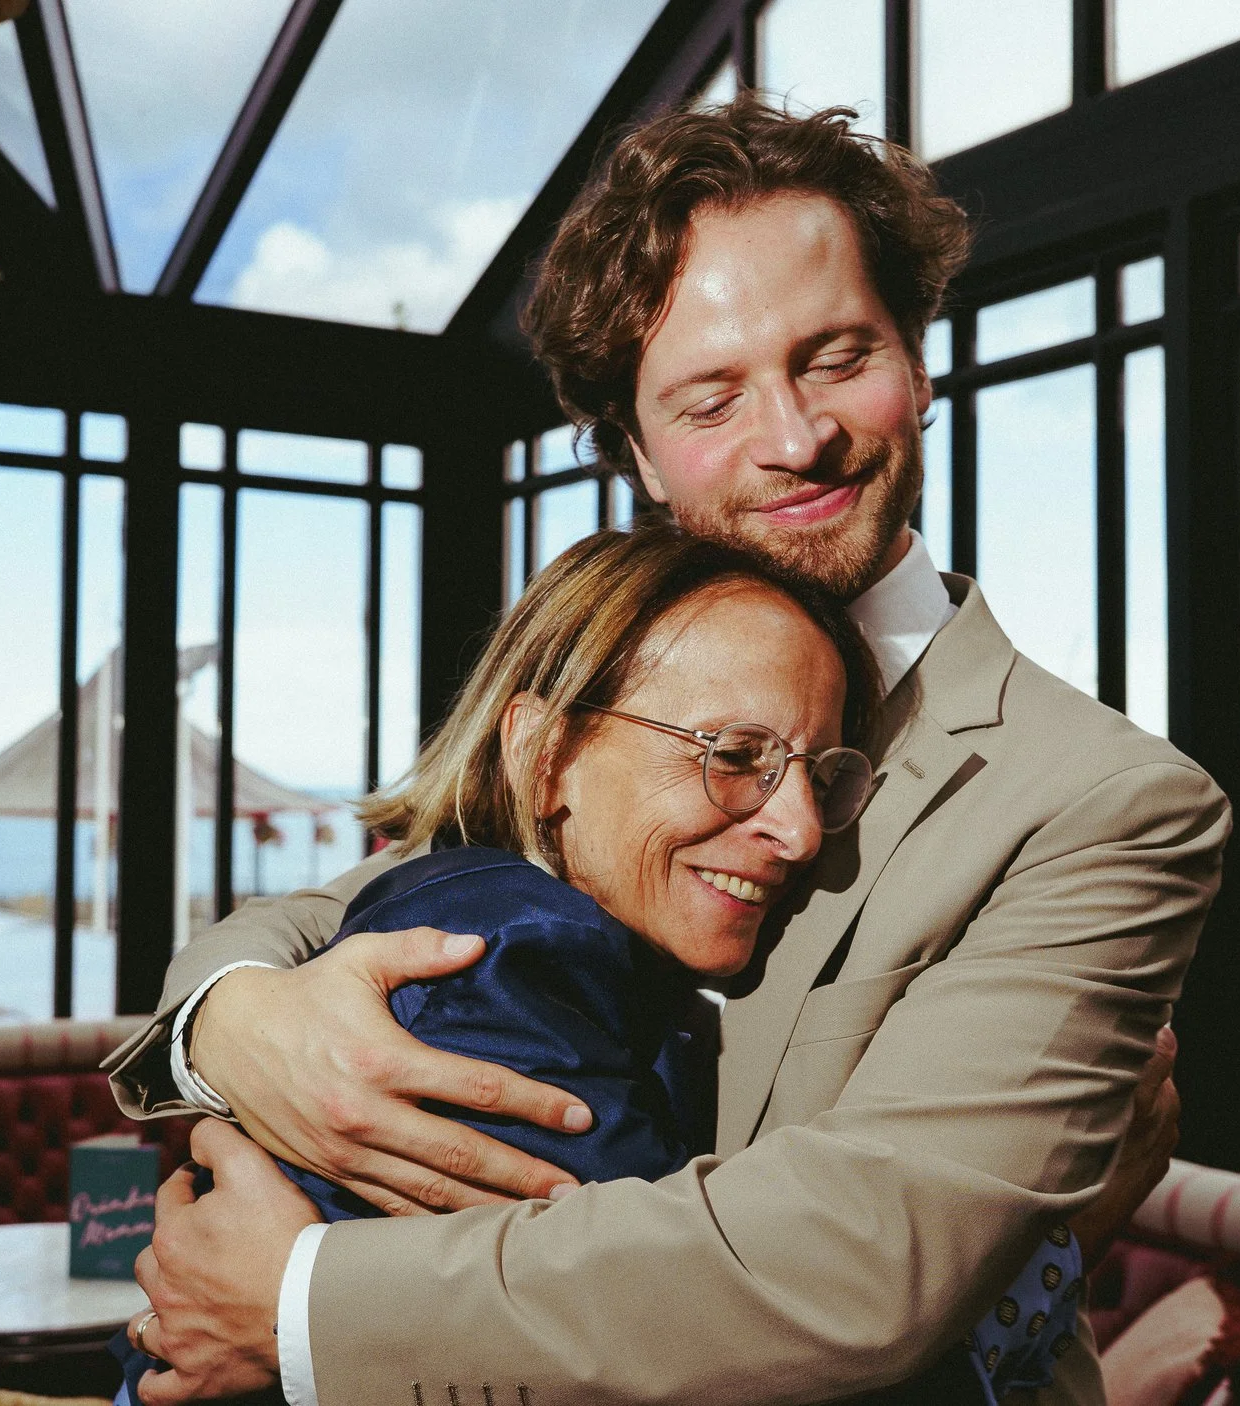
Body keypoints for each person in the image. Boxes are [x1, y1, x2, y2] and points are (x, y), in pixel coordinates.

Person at [101, 95, 1229, 1406]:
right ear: (639, 453)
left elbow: (854, 1267)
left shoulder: (1105, 800)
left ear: (918, 360)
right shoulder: (617, 685)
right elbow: (336, 915)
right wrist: (231, 1027)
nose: (794, 438)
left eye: (837, 355)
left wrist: (304, 1310)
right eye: (710, 396)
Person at [111, 529, 1087, 1406]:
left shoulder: (523, 928)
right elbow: (706, 1361)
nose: (794, 829)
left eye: (820, 774)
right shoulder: (508, 955)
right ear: (544, 754)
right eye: (734, 752)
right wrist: (1049, 1246)